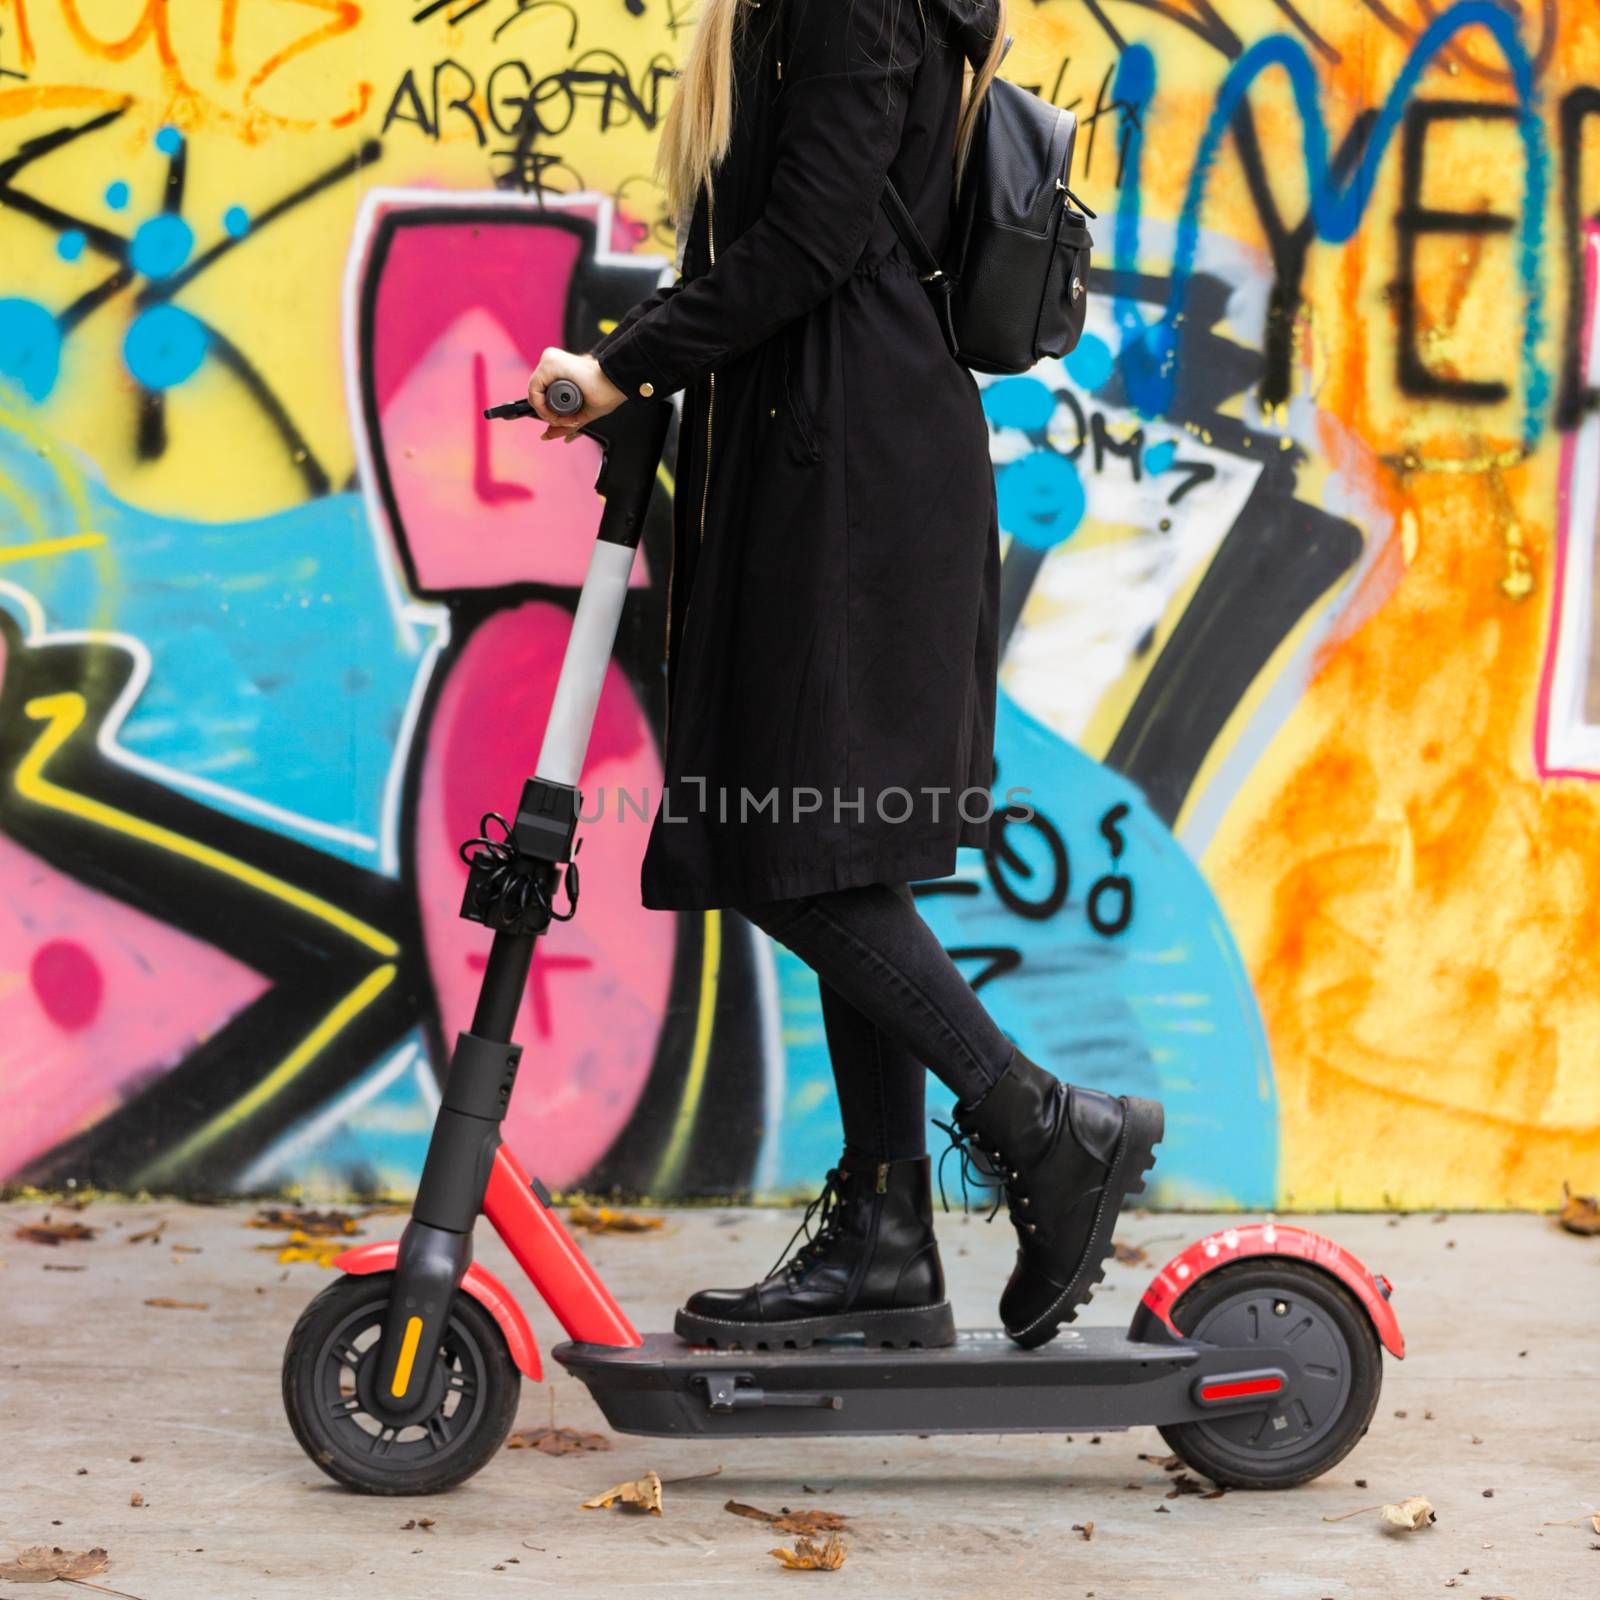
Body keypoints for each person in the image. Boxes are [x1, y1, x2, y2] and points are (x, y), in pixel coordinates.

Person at [525, 0, 1162, 1352]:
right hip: (831, 450)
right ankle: (884, 1235)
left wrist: (622, 369)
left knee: (777, 851)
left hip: (847, 473)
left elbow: (809, 240)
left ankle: (1044, 1128)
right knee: (829, 850)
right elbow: (815, 226)